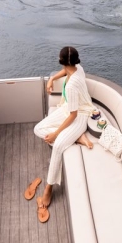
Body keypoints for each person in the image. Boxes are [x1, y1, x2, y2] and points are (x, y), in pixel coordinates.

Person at [29, 46, 94, 223]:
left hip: (79, 114)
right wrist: (52, 78)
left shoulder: (72, 86)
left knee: (57, 146)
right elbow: (65, 71)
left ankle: (48, 189)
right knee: (38, 129)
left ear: (62, 60)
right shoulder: (77, 68)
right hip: (68, 109)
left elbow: (73, 114)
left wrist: (57, 134)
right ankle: (76, 138)